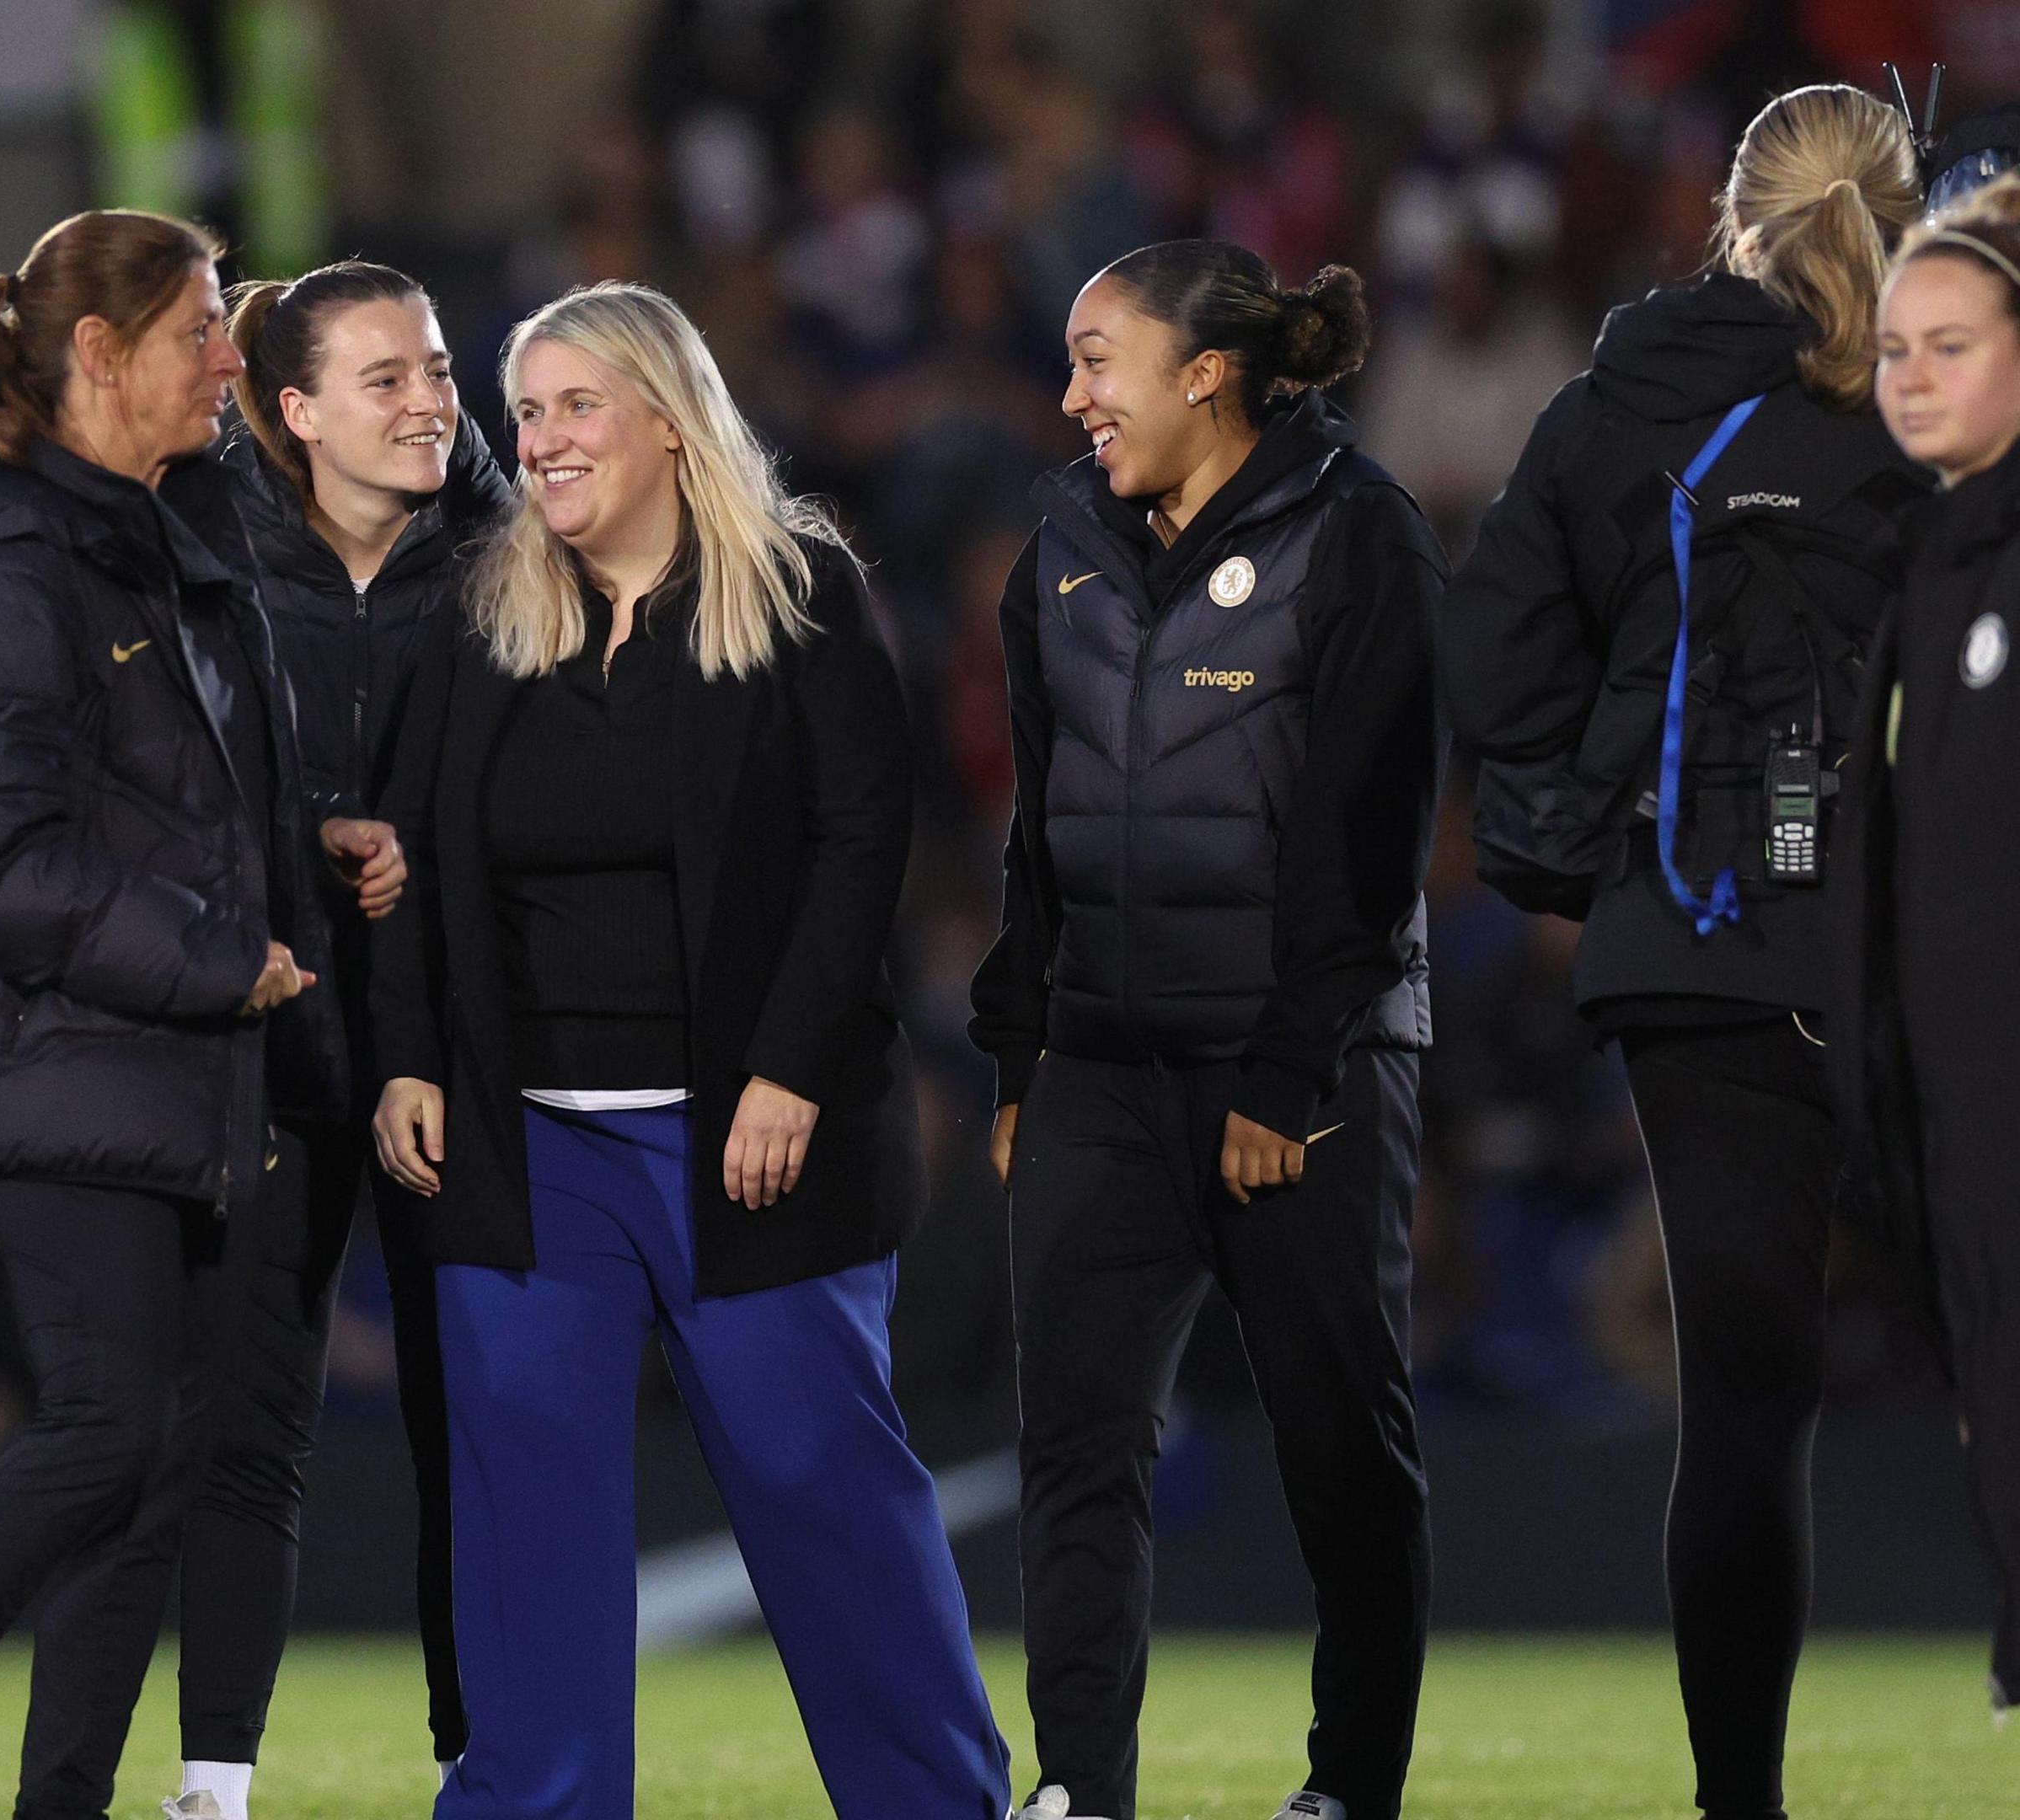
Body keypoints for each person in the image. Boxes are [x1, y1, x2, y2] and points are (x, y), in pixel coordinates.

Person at [0, 206, 376, 1820]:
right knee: (106, 1429)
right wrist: (212, 951)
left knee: (150, 1464)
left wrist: (288, 850)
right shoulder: (17, 563)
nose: (229, 358)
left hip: (152, 1058)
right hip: (61, 1055)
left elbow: (137, 795)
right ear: (99, 356)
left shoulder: (146, 530)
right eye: (201, 330)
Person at [368, 278, 1009, 1820]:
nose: (543, 439)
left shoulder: (798, 589)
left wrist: (787, 1069)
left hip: (751, 1133)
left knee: (821, 1487)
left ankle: (932, 1802)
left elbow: (866, 839)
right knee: (526, 1508)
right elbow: (406, 856)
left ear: (670, 416)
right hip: (525, 1149)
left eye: (578, 405)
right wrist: (405, 1056)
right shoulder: (480, 611)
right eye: (526, 412)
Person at [1441, 85, 1924, 1820]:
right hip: (1931, 935)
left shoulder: (1619, 402)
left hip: (1702, 938)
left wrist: (1607, 779)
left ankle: (1740, 1810)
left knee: (1745, 1397)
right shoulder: (1945, 394)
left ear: (1729, 212)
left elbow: (1490, 664)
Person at [974, 241, 1442, 1820]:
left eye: (1098, 358)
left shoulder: (1361, 530)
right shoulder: (1056, 545)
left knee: (1337, 1446)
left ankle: (1349, 1789)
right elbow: (1036, 830)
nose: (1072, 397)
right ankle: (1080, 1792)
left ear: (1205, 373)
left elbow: (1371, 831)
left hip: (1295, 1071)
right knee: (1078, 1448)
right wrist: (1018, 1048)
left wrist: (1290, 1066)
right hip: (1100, 1065)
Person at [43, 258, 499, 1820]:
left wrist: (426, 854)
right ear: (292, 411)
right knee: (242, 1427)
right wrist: (304, 840)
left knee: (481, 1437)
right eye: (390, 378)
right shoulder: (199, 554)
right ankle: (215, 1783)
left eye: (439, 368)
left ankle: (482, 1768)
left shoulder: (511, 562)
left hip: (467, 1055)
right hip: (266, 1047)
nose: (433, 399)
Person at [1846, 175, 2020, 1721]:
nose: (1908, 374)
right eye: (1895, 346)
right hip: (1963, 1149)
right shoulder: (1926, 567)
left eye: (1951, 344)